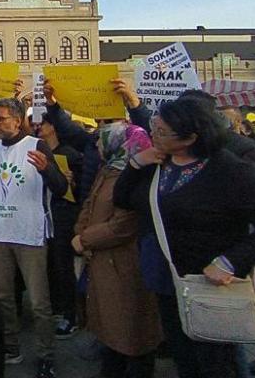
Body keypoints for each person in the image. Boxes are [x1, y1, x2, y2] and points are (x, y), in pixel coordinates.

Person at [114, 99, 255, 378]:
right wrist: (136, 164)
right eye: (154, 128)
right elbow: (123, 200)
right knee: (183, 356)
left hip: (209, 283)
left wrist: (230, 261)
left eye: (161, 132)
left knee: (217, 362)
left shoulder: (231, 171)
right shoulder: (157, 163)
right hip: (167, 279)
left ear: (189, 138)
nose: (154, 136)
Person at [0, 98, 67, 378]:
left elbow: (61, 186)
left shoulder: (35, 146)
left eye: (1, 119)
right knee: (3, 297)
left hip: (29, 234)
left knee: (40, 302)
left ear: (18, 121)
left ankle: (46, 355)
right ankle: (11, 347)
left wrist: (47, 169)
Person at [73, 121, 161, 378]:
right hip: (103, 261)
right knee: (112, 330)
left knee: (131, 330)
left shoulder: (137, 175)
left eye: (102, 140)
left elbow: (124, 224)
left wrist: (86, 239)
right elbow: (90, 205)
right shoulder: (109, 169)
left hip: (124, 264)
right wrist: (80, 231)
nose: (97, 145)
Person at [35, 113, 84, 338]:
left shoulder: (70, 154)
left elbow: (81, 190)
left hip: (62, 217)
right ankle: (56, 307)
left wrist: (71, 181)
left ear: (53, 127)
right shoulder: (36, 152)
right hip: (42, 217)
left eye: (42, 123)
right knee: (49, 266)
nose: (38, 127)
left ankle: (70, 315)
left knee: (64, 267)